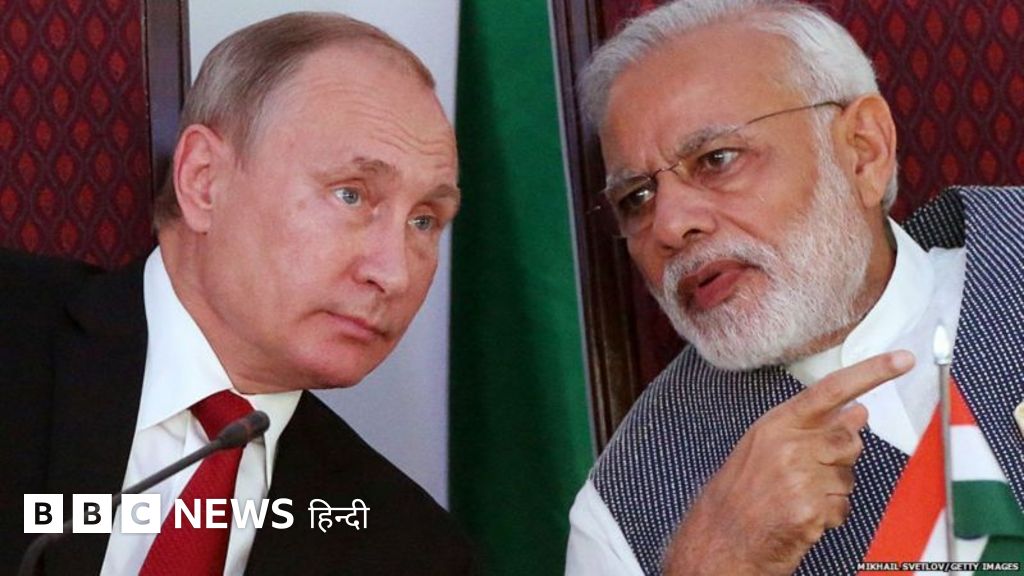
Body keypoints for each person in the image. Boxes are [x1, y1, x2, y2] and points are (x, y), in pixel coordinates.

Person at [0, 12, 475, 575]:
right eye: (351, 194)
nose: (393, 274)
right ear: (204, 180)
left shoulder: (412, 551)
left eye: (424, 221)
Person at [565, 0, 1024, 574]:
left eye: (716, 159)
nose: (670, 225)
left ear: (863, 151)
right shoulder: (630, 500)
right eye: (636, 197)